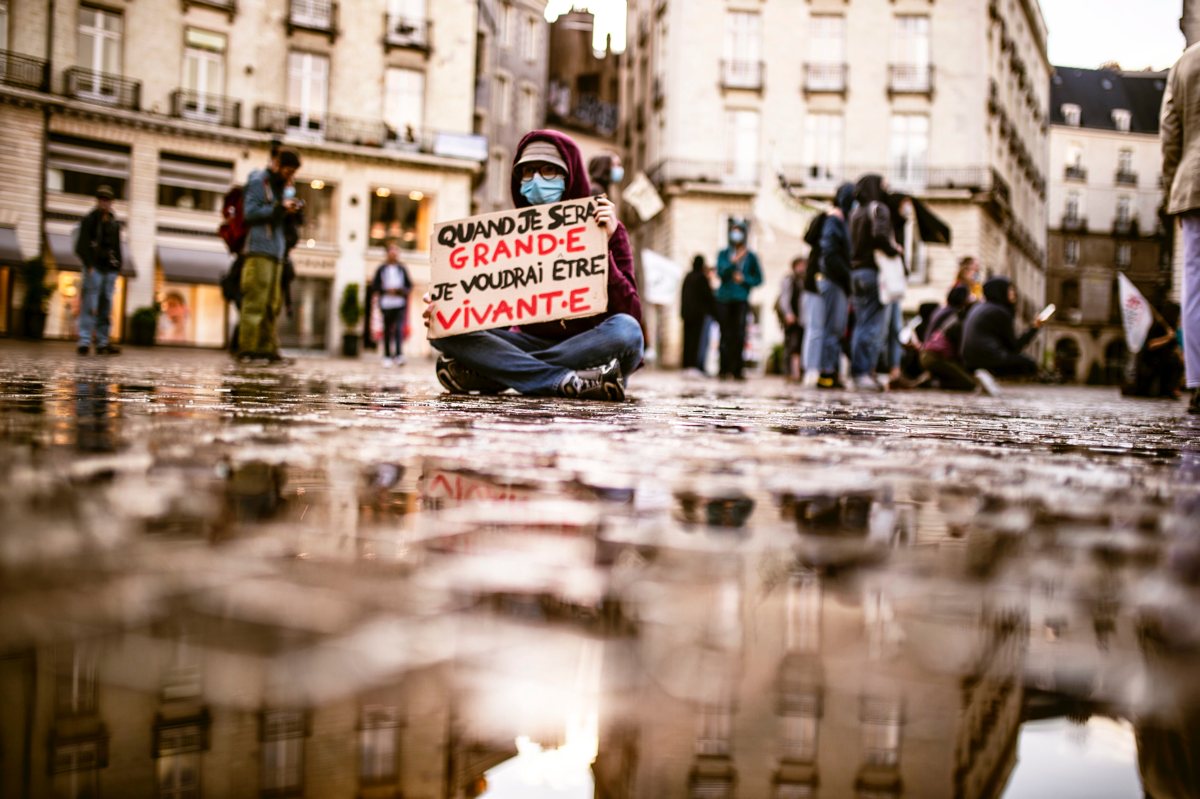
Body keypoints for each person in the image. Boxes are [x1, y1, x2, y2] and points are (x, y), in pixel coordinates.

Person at [428, 130, 643, 401]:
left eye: (549, 171)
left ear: (570, 176)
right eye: (528, 172)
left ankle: (499, 371)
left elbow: (631, 312)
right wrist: (447, 307)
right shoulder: (508, 236)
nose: (537, 180)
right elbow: (489, 307)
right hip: (528, 340)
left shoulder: (610, 230)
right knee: (442, 327)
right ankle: (568, 380)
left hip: (590, 343)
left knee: (627, 331)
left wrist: (602, 249)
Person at [1161, 42, 1200, 414]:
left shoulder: (1187, 60)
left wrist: (1171, 185)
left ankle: (1199, 381)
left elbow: (1170, 132)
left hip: (1193, 182)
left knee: (1195, 285)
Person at [238, 147, 302, 363]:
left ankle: (267, 349)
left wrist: (291, 211)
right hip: (259, 249)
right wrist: (278, 208)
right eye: (287, 171)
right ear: (276, 165)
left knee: (272, 304)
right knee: (255, 301)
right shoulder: (259, 181)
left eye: (293, 173)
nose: (289, 176)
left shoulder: (282, 187)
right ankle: (248, 348)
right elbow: (249, 212)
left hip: (277, 251)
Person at [848, 174, 902, 392]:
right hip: (872, 272)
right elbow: (880, 236)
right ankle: (863, 373)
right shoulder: (879, 209)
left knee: (862, 324)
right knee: (873, 327)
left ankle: (861, 372)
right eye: (883, 186)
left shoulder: (855, 212)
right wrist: (894, 249)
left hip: (856, 272)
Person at [961, 276, 1043, 379]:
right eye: (1010, 290)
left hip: (969, 360)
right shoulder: (1000, 312)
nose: (1014, 293)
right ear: (1000, 291)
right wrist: (1034, 327)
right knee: (1029, 365)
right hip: (987, 360)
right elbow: (1014, 347)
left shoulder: (979, 307)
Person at [74, 185, 123, 356]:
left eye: (107, 199)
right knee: (89, 304)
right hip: (94, 268)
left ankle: (102, 342)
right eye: (102, 199)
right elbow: (81, 246)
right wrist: (89, 266)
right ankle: (84, 341)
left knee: (105, 306)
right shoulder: (89, 220)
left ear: (111, 202)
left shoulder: (114, 223)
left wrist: (117, 267)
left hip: (109, 270)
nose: (104, 202)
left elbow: (117, 248)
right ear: (97, 200)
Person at [715, 219, 763, 380]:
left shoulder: (751, 257)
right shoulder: (723, 254)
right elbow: (720, 272)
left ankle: (737, 370)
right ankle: (723, 369)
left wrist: (744, 279)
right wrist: (734, 261)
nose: (736, 234)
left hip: (741, 299)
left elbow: (759, 279)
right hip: (724, 298)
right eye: (733, 230)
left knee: (739, 334)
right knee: (725, 334)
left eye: (739, 231)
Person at [920, 287, 979, 392]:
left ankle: (934, 379)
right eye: (969, 296)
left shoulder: (943, 310)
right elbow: (958, 344)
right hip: (936, 355)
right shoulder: (955, 315)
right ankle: (933, 383)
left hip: (929, 352)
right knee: (969, 383)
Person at [1124, 302, 1185, 398]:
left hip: (1165, 360)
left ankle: (1170, 389)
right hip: (1151, 361)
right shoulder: (1157, 327)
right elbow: (1150, 345)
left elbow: (1175, 347)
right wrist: (1168, 338)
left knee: (1176, 363)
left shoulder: (1172, 328)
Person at [367, 241, 412, 367]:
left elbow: (409, 285)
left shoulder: (402, 268)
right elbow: (375, 286)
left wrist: (399, 291)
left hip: (399, 303)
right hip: (386, 303)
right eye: (391, 253)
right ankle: (387, 356)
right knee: (387, 330)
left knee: (398, 329)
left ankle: (398, 355)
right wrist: (386, 290)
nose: (394, 255)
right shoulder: (382, 269)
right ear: (387, 254)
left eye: (395, 253)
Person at [681, 255, 717, 375]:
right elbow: (708, 297)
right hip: (698, 316)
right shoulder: (701, 278)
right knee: (696, 341)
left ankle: (687, 365)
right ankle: (694, 366)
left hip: (687, 315)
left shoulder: (688, 277)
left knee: (687, 341)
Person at [776, 256, 808, 382]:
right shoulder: (789, 279)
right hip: (792, 319)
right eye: (800, 265)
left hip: (803, 319)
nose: (802, 268)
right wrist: (788, 314)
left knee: (800, 345)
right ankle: (792, 372)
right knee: (792, 345)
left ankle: (798, 372)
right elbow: (785, 298)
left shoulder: (805, 280)